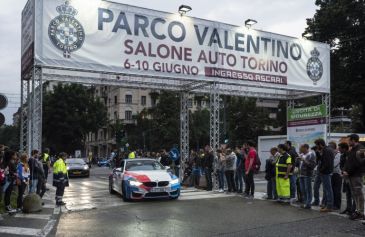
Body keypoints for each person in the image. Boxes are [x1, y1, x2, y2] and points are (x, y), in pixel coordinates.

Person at [343, 134, 364, 220]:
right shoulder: (352, 149)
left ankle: (361, 212)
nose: (348, 142)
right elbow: (348, 162)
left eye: (349, 140)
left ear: (354, 140)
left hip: (356, 175)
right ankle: (358, 211)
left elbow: (360, 163)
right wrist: (344, 170)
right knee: (354, 194)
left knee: (358, 193)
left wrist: (348, 171)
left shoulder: (361, 149)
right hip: (350, 175)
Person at [315, 138, 334, 212]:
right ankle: (327, 205)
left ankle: (329, 206)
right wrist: (317, 153)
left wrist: (321, 170)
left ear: (320, 144)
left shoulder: (327, 150)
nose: (317, 147)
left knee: (328, 189)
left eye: (317, 145)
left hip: (325, 172)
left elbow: (327, 163)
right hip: (325, 172)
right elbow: (321, 160)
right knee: (327, 189)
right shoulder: (325, 150)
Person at [339, 142, 355, 215]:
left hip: (351, 176)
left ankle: (354, 209)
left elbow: (353, 165)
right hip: (345, 176)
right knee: (348, 193)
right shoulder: (342, 155)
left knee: (354, 194)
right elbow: (341, 165)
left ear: (344, 148)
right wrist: (343, 171)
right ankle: (348, 208)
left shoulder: (351, 154)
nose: (339, 149)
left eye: (340, 148)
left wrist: (348, 172)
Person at [298, 144, 316, 209]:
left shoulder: (311, 155)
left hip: (307, 174)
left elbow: (312, 165)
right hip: (301, 174)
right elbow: (299, 165)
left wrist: (304, 160)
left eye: (301, 148)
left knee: (307, 189)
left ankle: (308, 203)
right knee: (302, 189)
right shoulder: (301, 155)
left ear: (305, 148)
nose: (299, 149)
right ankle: (305, 202)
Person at [328, 141, 342, 210]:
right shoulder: (332, 154)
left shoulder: (338, 155)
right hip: (332, 174)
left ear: (333, 147)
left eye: (329, 146)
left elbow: (333, 164)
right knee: (332, 190)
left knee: (337, 190)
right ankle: (333, 204)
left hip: (337, 174)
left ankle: (337, 205)